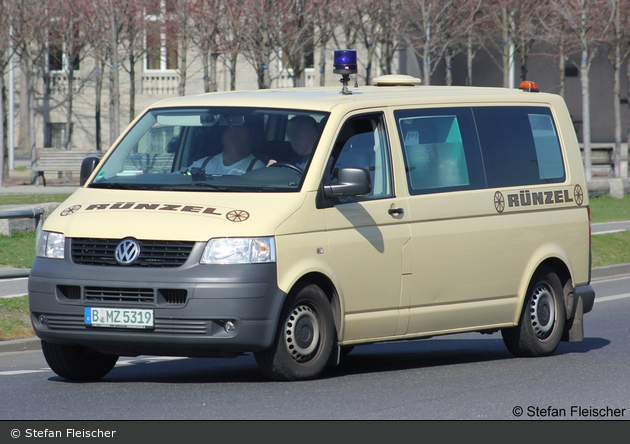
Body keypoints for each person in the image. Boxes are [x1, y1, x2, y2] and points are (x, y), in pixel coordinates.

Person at [189, 125, 264, 175]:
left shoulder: (256, 167)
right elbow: (184, 175)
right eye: (236, 139)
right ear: (225, 141)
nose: (240, 143)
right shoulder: (205, 164)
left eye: (245, 139)